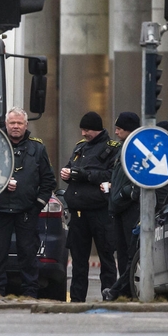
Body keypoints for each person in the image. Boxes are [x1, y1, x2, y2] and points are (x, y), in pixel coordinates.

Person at [0, 107, 56, 298]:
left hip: (27, 211)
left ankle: (30, 293)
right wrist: (0, 186)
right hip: (0, 210)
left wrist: (37, 205)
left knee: (28, 255)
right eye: (12, 123)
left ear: (26, 125)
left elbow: (48, 181)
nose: (16, 127)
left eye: (19, 123)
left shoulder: (38, 148)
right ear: (6, 124)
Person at [60, 111, 120, 302]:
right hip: (78, 213)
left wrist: (82, 175)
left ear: (97, 129)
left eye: (87, 130)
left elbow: (111, 176)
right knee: (78, 260)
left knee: (106, 257)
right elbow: (73, 167)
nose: (84, 133)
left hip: (101, 211)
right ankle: (77, 299)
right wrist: (68, 174)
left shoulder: (112, 148)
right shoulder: (80, 147)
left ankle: (109, 295)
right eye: (82, 130)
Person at [102, 112, 141, 301]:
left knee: (131, 253)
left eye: (119, 129)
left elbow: (140, 176)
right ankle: (123, 291)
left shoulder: (136, 149)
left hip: (130, 208)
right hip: (118, 207)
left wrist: (127, 192)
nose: (116, 132)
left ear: (129, 130)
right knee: (123, 253)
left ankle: (121, 290)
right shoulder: (121, 149)